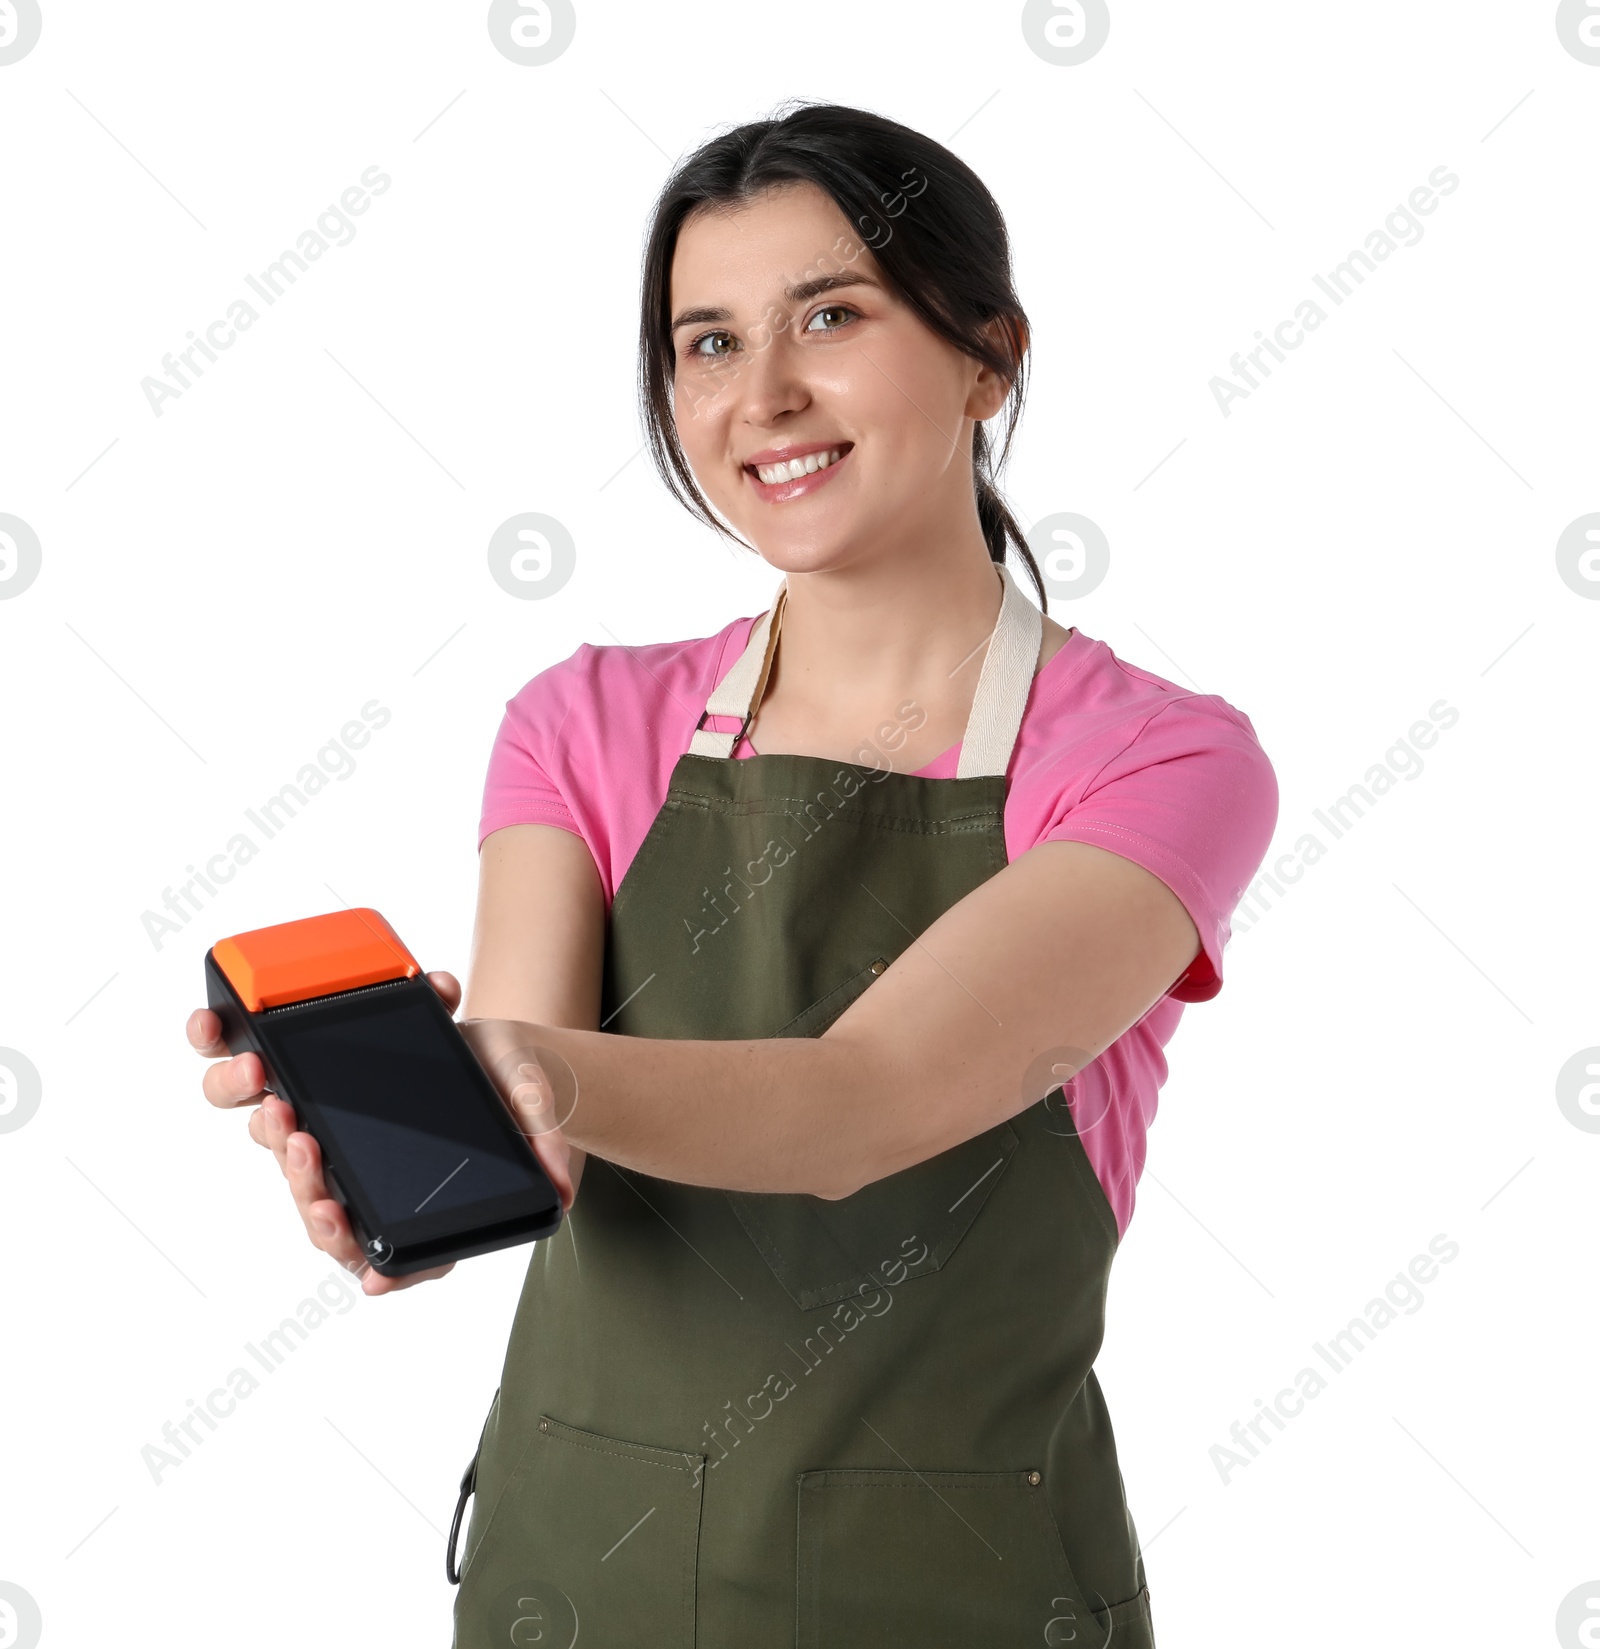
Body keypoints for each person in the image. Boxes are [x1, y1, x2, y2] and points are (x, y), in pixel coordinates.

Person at [190, 100, 1278, 1649]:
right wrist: (428, 1147)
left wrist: (532, 1075)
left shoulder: (1156, 762)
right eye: (705, 343)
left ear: (987, 354)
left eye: (829, 317)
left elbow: (869, 1102)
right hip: (578, 1580)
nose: (763, 395)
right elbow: (532, 1142)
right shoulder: (582, 721)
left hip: (958, 1601)